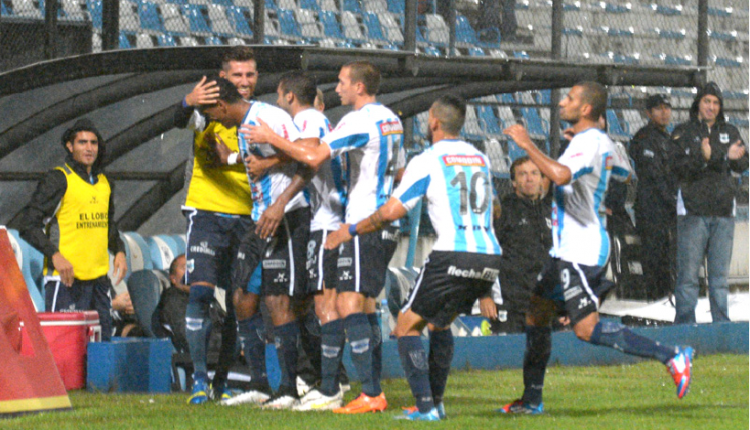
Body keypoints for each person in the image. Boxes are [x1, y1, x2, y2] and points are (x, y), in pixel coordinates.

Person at [499, 82, 694, 415]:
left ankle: (672, 356)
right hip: (565, 249)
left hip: (581, 249)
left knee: (585, 329)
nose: (562, 102)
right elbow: (625, 173)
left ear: (586, 109)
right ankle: (531, 400)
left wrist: (527, 143)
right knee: (536, 314)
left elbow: (561, 176)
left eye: (570, 98)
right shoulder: (595, 141)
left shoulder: (589, 142)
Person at [326, 95, 501, 421]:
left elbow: (391, 212)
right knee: (439, 323)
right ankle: (436, 403)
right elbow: (496, 209)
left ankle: (425, 407)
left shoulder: (428, 159)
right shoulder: (480, 157)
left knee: (406, 327)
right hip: (489, 256)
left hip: (452, 253)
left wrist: (349, 230)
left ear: (433, 121)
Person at [243, 61, 403, 414]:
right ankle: (348, 385)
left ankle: (339, 387)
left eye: (343, 82)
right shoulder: (391, 118)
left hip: (344, 220)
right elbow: (400, 169)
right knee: (358, 304)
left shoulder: (352, 120)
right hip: (374, 220)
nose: (336, 88)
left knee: (333, 305)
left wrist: (270, 140)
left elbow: (313, 155)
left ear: (359, 87)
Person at [200, 76, 313, 409]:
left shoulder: (269, 118)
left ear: (222, 105)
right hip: (260, 218)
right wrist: (231, 159)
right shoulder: (243, 125)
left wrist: (279, 204)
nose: (212, 120)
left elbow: (307, 158)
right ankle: (260, 384)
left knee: (278, 301)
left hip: (286, 215)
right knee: (241, 297)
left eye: (211, 113)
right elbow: (260, 159)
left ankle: (290, 388)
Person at [172, 46, 257, 404]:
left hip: (247, 216)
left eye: (250, 74)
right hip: (205, 212)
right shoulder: (207, 110)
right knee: (201, 293)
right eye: (237, 75)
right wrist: (187, 101)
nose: (244, 81)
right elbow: (179, 119)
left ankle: (221, 382)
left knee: (239, 300)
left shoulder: (260, 116)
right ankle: (198, 382)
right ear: (223, 77)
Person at [18, 119, 127, 342]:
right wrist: (54, 255)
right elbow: (27, 224)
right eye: (82, 142)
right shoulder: (58, 179)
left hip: (99, 281)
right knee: (65, 350)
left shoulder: (105, 182)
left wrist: (119, 250)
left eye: (94, 143)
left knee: (102, 347)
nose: (89, 148)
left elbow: (108, 223)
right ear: (70, 146)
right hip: (66, 281)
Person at [671, 82, 748, 324]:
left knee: (719, 278)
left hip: (724, 212)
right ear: (698, 104)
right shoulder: (683, 132)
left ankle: (721, 326)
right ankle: (684, 325)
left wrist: (719, 157)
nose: (711, 107)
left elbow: (742, 163)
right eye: (707, 101)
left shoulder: (731, 131)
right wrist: (714, 157)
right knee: (688, 276)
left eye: (716, 103)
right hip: (692, 211)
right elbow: (677, 167)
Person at [481, 156, 551, 334]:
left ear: (541, 179)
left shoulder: (550, 211)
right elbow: (486, 253)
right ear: (513, 182)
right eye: (523, 174)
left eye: (534, 173)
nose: (529, 178)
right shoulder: (503, 211)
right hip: (510, 304)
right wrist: (485, 295)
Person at [629, 94, 677, 301]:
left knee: (668, 259)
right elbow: (654, 176)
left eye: (667, 108)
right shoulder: (644, 138)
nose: (664, 112)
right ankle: (655, 301)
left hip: (667, 208)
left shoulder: (668, 138)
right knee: (653, 259)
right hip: (651, 209)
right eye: (658, 108)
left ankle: (666, 299)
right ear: (648, 113)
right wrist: (673, 201)